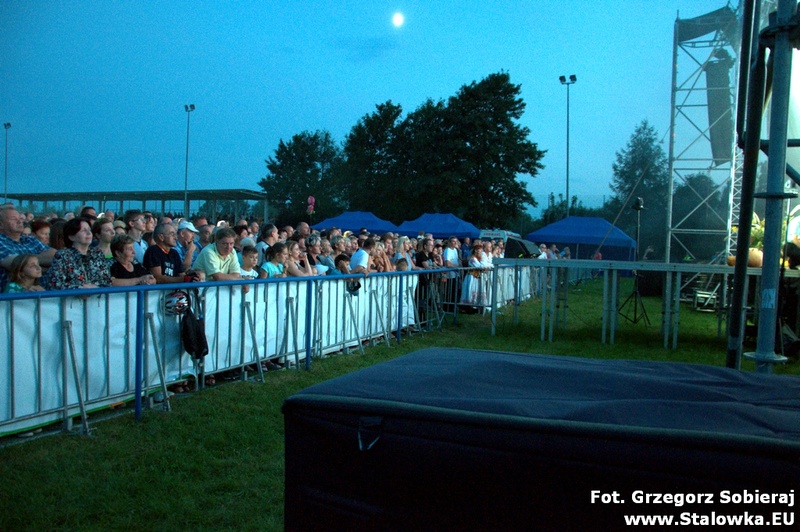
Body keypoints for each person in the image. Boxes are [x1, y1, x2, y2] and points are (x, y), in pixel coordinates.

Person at [0, 205, 56, 291]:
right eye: (13, 219)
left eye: (20, 218)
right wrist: (47, 265)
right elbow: (15, 264)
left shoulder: (30, 239)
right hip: (15, 297)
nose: (20, 221)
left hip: (45, 294)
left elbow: (56, 256)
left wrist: (29, 266)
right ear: (1, 224)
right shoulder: (1, 241)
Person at [48, 217, 111, 290]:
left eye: (89, 230)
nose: (89, 233)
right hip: (72, 297)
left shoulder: (97, 253)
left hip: (97, 296)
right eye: (83, 230)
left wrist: (95, 288)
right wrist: (80, 289)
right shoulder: (62, 255)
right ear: (71, 237)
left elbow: (107, 281)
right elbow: (56, 284)